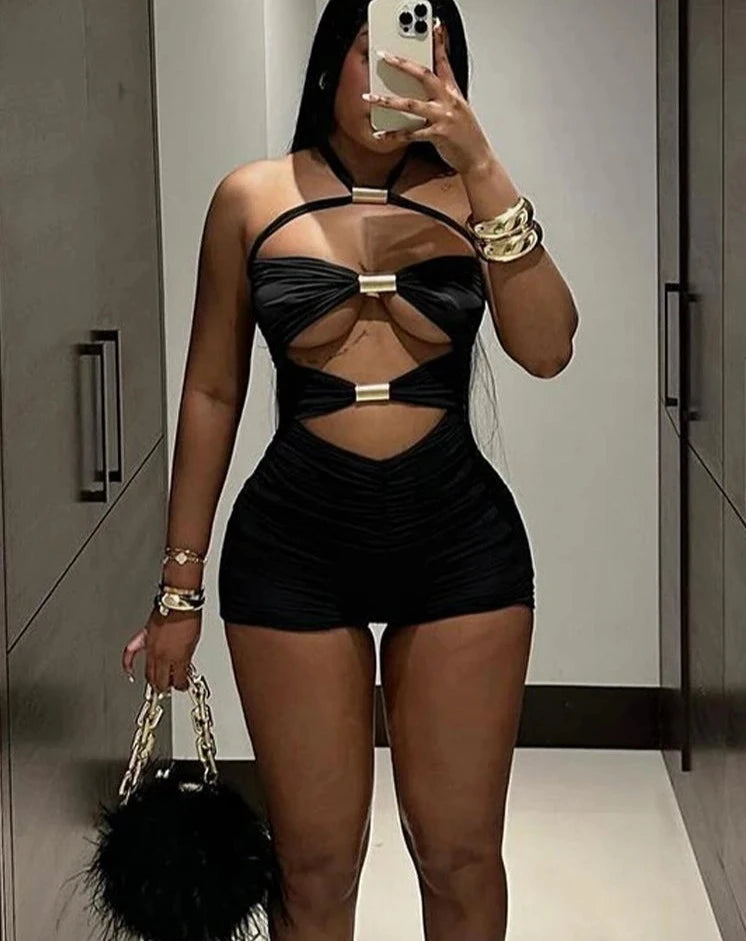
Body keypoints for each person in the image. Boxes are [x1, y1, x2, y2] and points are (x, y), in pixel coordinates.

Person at [123, 1, 578, 938]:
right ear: (334, 60)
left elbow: (548, 348)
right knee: (316, 866)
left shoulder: (473, 195)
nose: (396, 75)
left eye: (426, 55)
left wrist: (480, 160)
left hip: (460, 545)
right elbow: (212, 390)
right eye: (378, 49)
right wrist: (178, 590)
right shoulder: (251, 198)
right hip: (293, 547)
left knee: (460, 855)